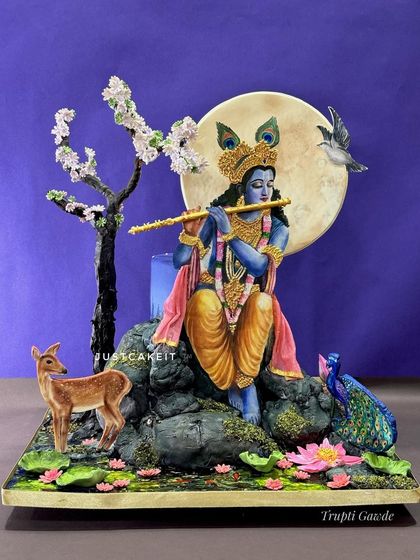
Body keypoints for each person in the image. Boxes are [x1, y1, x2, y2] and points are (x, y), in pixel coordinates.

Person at [153, 117, 302, 424]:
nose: (266, 192)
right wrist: (189, 233)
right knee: (202, 302)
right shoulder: (220, 215)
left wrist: (229, 233)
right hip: (214, 295)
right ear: (241, 187)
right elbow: (181, 260)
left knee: (263, 303)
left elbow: (259, 265)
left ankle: (246, 385)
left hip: (249, 301)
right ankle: (227, 379)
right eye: (257, 185)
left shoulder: (277, 227)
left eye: (269, 185)